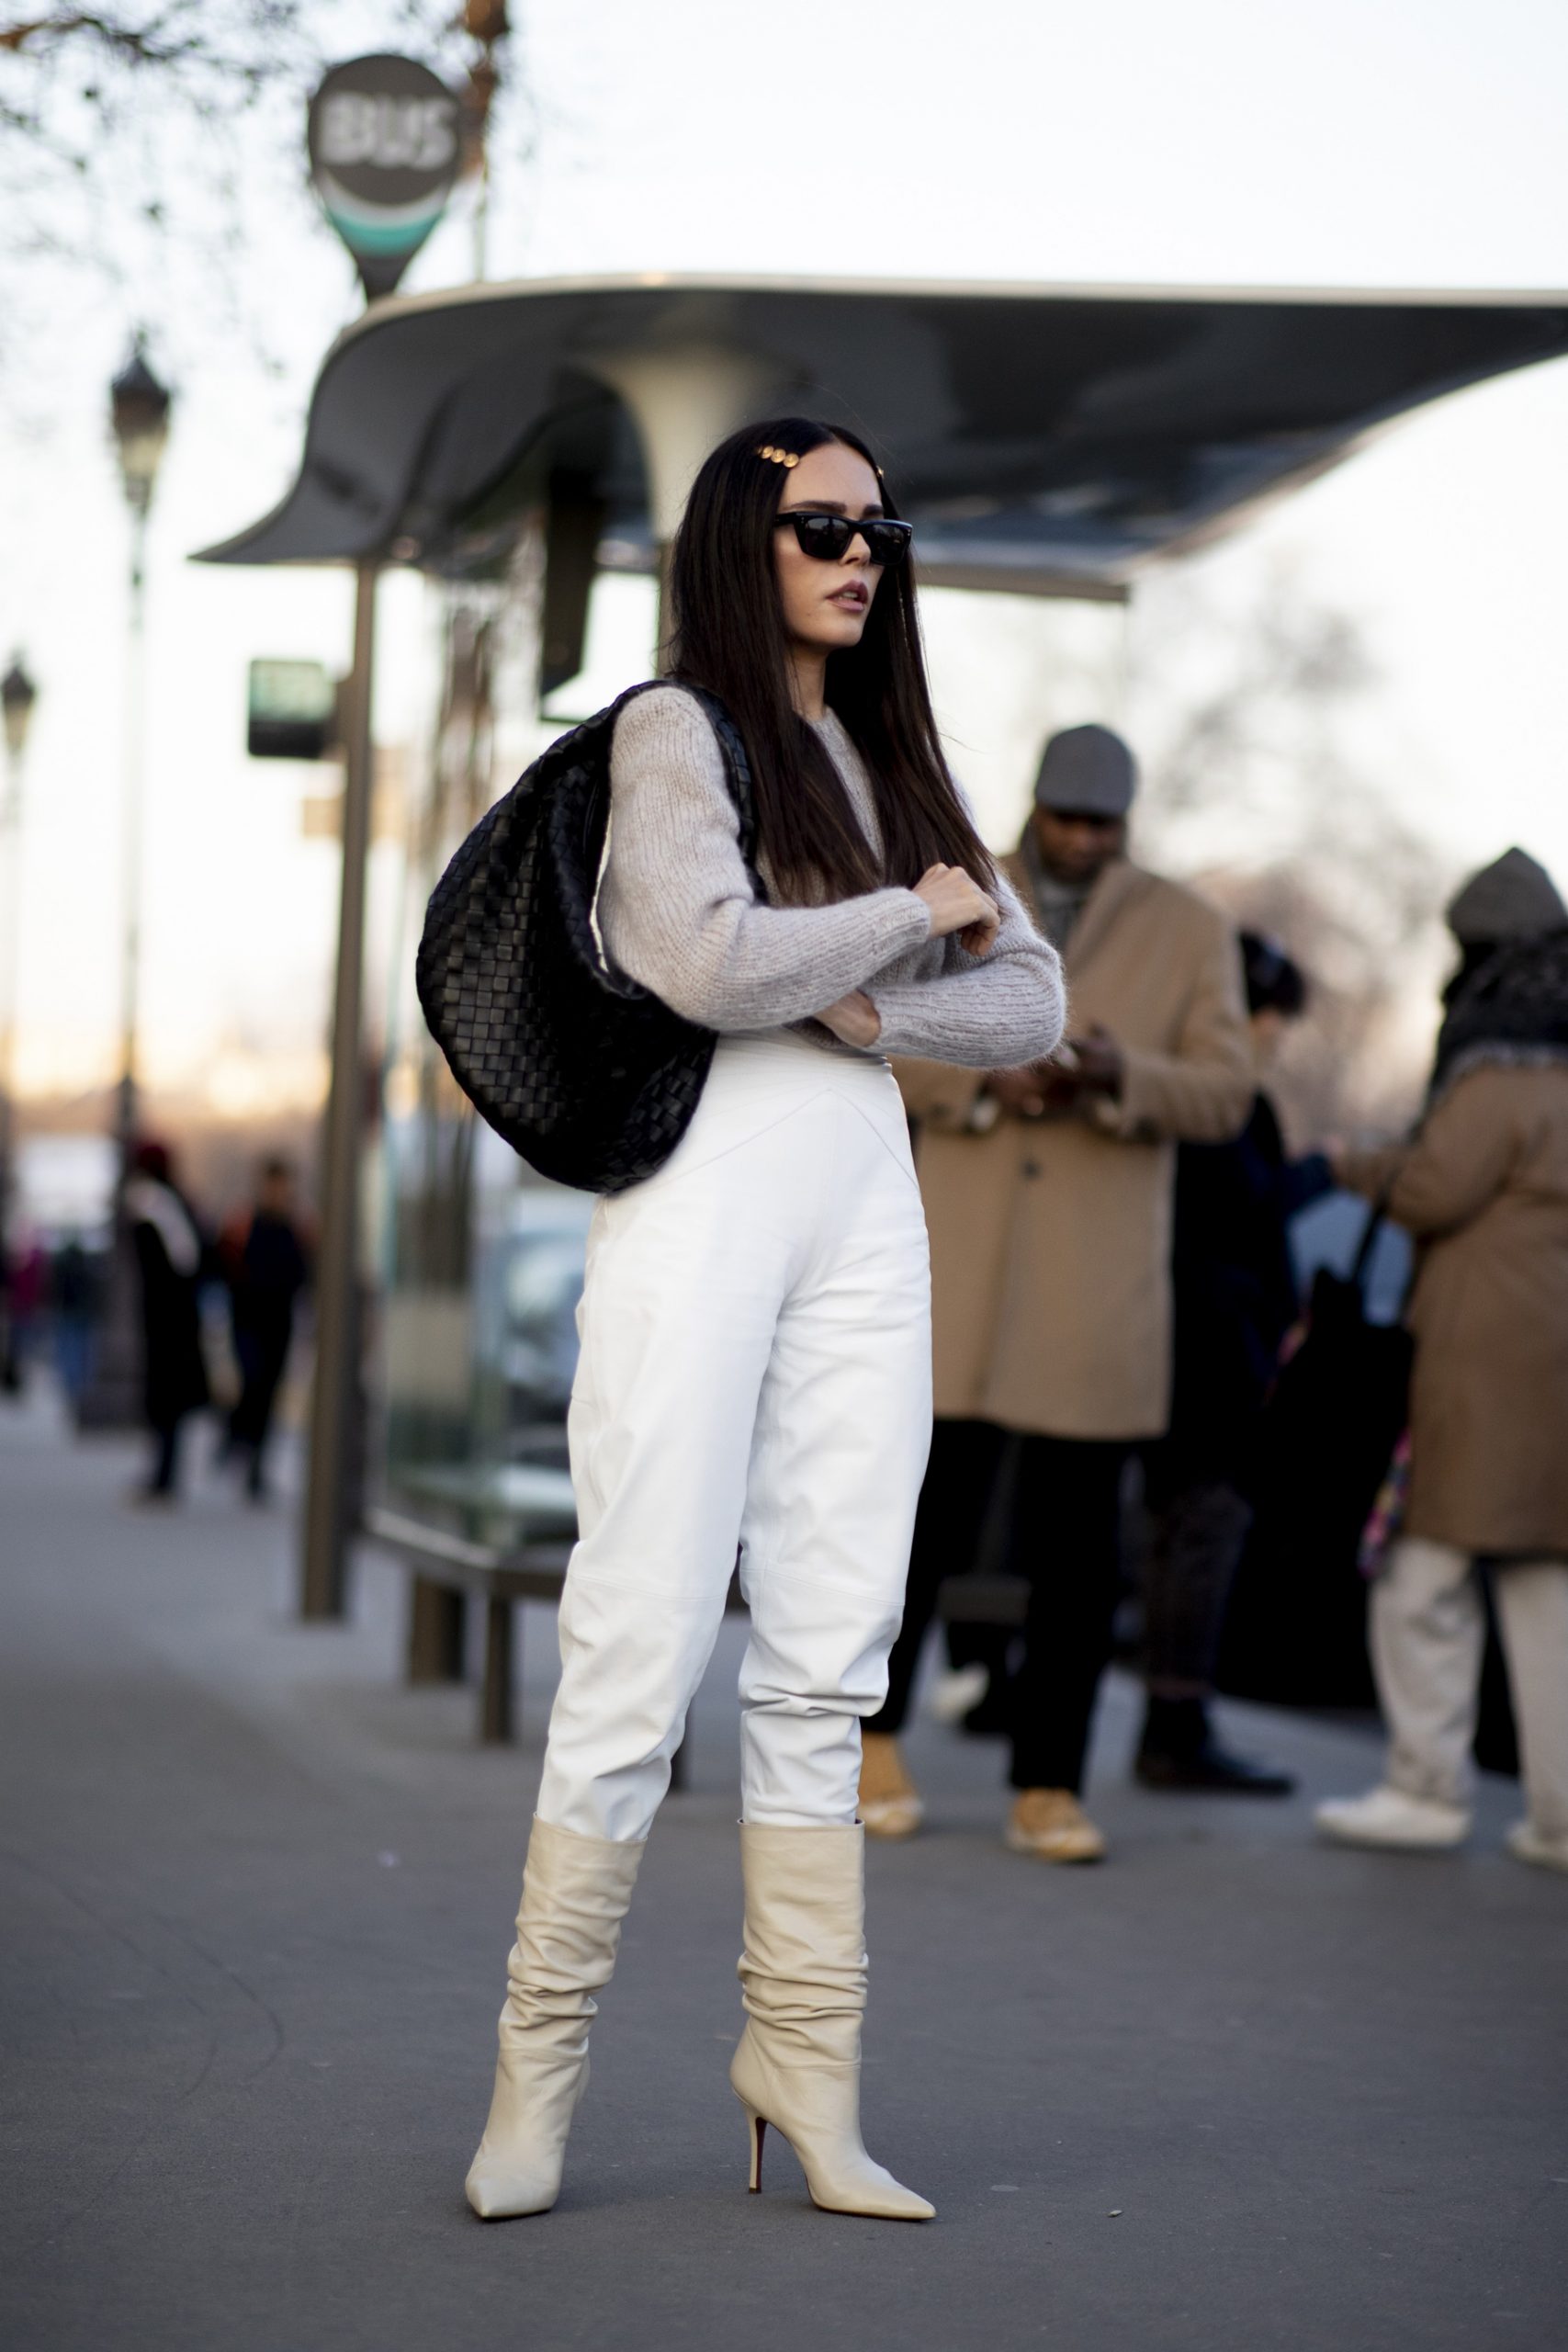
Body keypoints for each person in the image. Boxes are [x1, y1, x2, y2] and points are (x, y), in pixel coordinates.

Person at [463, 419, 1065, 2225]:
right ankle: (532, 2076)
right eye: (822, 522)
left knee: (827, 1651)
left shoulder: (895, 756)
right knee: (638, 1643)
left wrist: (878, 1014)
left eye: (877, 522)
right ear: (746, 538)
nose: (859, 549)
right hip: (699, 1193)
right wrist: (902, 926)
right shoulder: (677, 732)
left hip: (864, 1203)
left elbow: (1028, 993)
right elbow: (701, 956)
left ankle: (802, 2074)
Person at [860, 722, 1254, 1860]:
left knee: (1079, 1552)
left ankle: (1050, 1780)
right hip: (965, 1262)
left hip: (1095, 1281)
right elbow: (879, 1035)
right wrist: (993, 1080)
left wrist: (1125, 1076)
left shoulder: (1189, 926)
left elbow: (1228, 1091)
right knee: (917, 1525)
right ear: (1036, 810)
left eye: (1102, 825)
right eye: (1065, 819)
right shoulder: (952, 885)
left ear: (1127, 824)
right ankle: (871, 1739)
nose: (1081, 840)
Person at [1315, 848, 1568, 1872]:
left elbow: (1431, 1189)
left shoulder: (1501, 1065)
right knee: (1543, 1584)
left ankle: (1426, 1785)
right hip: (1550, 1351)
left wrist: (1357, 1162)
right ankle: (1559, 1815)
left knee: (1421, 1574)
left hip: (1482, 1349)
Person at [1134, 933, 1332, 1793]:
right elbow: (1240, 1212)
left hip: (1192, 1341)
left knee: (1181, 1533)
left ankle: (1174, 1719)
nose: (1275, 1034)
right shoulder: (1219, 1102)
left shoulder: (1194, 1091)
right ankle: (1177, 1726)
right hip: (1209, 1353)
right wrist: (1324, 1172)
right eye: (1268, 1014)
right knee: (1199, 1532)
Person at [220, 1156, 311, 1501]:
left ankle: (256, 1466)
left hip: (279, 1324)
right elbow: (225, 1267)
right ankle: (236, 1437)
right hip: (246, 1321)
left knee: (268, 1394)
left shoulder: (297, 1227)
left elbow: (305, 1276)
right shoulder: (243, 1224)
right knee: (251, 1384)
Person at [125, 1139, 209, 1503]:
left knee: (166, 1401)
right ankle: (163, 1473)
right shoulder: (174, 1204)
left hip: (167, 1323)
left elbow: (181, 1265)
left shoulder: (155, 1206)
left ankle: (164, 1476)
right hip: (176, 1320)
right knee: (167, 1401)